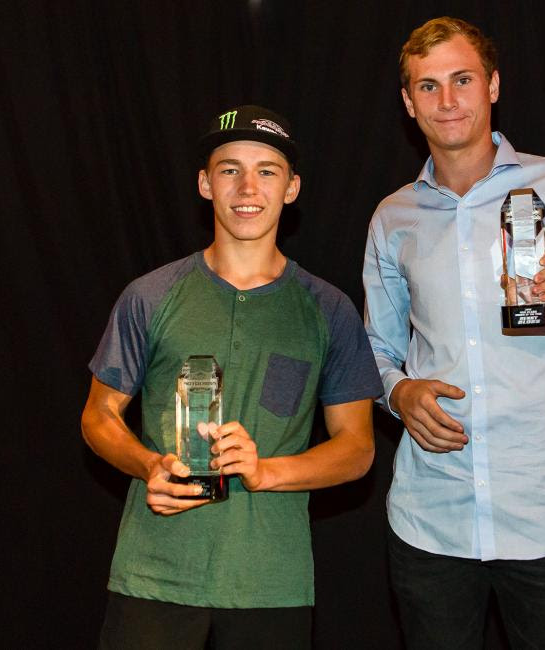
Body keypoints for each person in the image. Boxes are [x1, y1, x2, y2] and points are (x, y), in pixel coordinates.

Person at [363, 17, 545, 649]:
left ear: (492, 86)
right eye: (429, 86)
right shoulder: (393, 217)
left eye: (462, 80)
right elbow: (377, 350)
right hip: (431, 520)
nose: (447, 101)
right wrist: (399, 395)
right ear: (409, 103)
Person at [82, 104, 382, 650]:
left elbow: (357, 449)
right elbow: (97, 416)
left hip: (272, 584)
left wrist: (266, 471)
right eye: (229, 169)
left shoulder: (329, 310)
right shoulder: (150, 295)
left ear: (291, 188)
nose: (248, 187)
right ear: (205, 183)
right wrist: (149, 463)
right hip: (154, 575)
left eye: (267, 170)